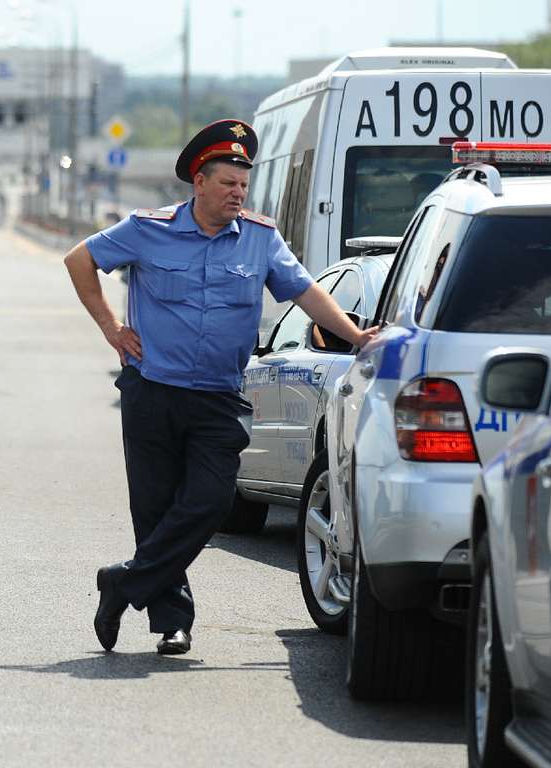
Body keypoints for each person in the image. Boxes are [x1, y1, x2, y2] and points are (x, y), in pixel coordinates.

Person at [63, 119, 380, 655]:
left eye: (243, 185)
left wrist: (353, 334)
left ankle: (122, 583)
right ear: (200, 183)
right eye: (229, 183)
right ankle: (172, 620)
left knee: (210, 503)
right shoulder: (149, 228)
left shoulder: (260, 239)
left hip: (216, 396)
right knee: (156, 508)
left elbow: (304, 291)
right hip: (152, 389)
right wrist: (111, 329)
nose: (238, 193)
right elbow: (80, 260)